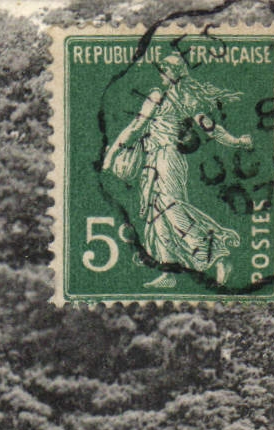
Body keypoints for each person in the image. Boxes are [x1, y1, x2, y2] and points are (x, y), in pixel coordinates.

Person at [101, 52, 251, 288]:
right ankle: (168, 271)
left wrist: (110, 156)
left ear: (170, 73)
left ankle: (218, 255)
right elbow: (212, 129)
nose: (161, 74)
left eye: (164, 70)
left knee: (171, 209)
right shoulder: (188, 98)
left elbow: (135, 127)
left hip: (165, 159)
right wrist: (236, 141)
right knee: (156, 211)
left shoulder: (157, 96)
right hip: (159, 159)